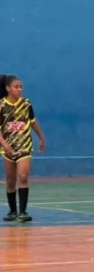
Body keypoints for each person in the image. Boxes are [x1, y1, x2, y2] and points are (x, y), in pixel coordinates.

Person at [0, 75, 45, 222]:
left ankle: (23, 212)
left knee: (23, 176)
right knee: (10, 181)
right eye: (16, 87)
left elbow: (33, 122)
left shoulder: (26, 103)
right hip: (8, 147)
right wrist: (4, 145)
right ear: (8, 88)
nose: (19, 89)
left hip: (24, 145)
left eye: (21, 87)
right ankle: (12, 211)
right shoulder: (1, 105)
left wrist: (41, 137)